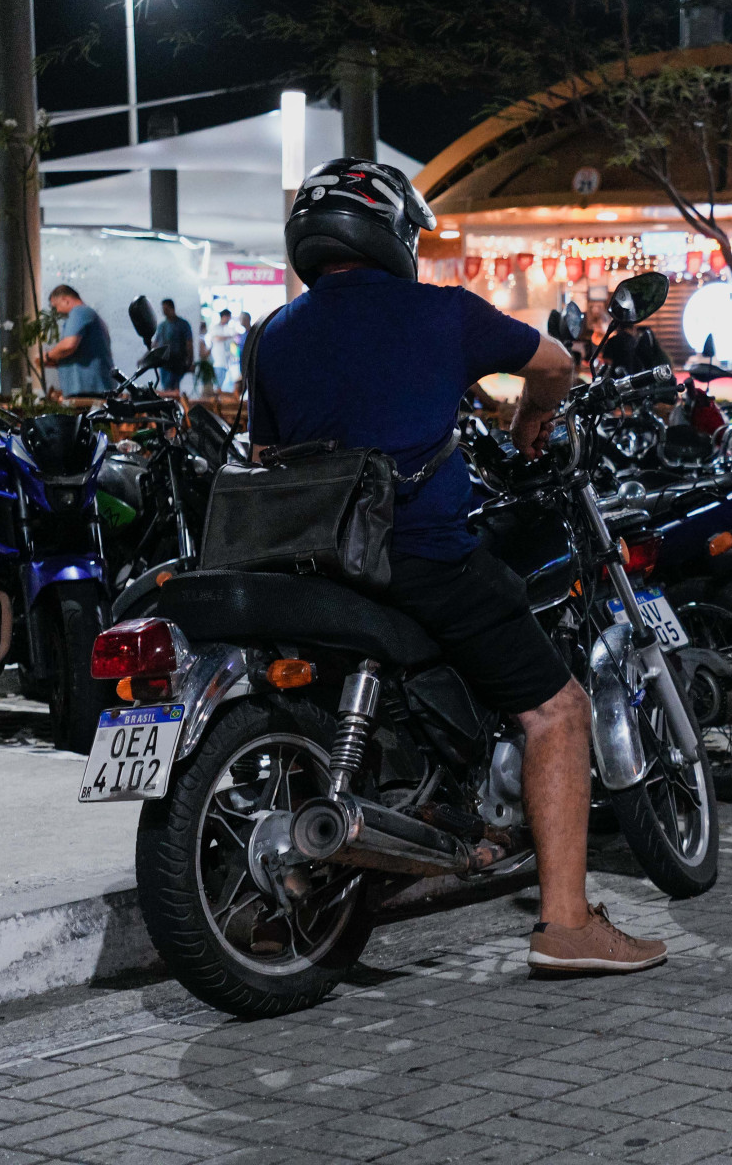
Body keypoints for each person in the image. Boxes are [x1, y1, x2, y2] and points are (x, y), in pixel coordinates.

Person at [250, 156, 666, 975]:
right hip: (420, 558)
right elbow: (555, 365)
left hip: (305, 566)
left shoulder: (272, 336)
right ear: (392, 234)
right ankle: (567, 922)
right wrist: (531, 420)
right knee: (558, 710)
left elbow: (268, 453)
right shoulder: (442, 315)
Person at [42, 285, 115, 398]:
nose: (57, 311)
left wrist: (47, 357)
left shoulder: (79, 312)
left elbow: (68, 345)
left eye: (56, 306)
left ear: (65, 300)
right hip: (93, 387)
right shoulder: (88, 314)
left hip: (87, 389)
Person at [152, 299, 194, 395]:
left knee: (171, 387)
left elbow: (189, 343)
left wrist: (190, 360)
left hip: (177, 362)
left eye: (166, 309)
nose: (164, 312)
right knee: (167, 387)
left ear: (172, 308)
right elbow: (156, 343)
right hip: (164, 363)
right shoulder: (162, 326)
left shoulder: (183, 324)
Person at [206, 309, 242, 396]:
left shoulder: (228, 329)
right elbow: (215, 338)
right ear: (224, 317)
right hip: (217, 361)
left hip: (226, 361)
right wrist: (229, 337)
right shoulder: (215, 328)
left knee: (221, 384)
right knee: (217, 384)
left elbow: (235, 339)